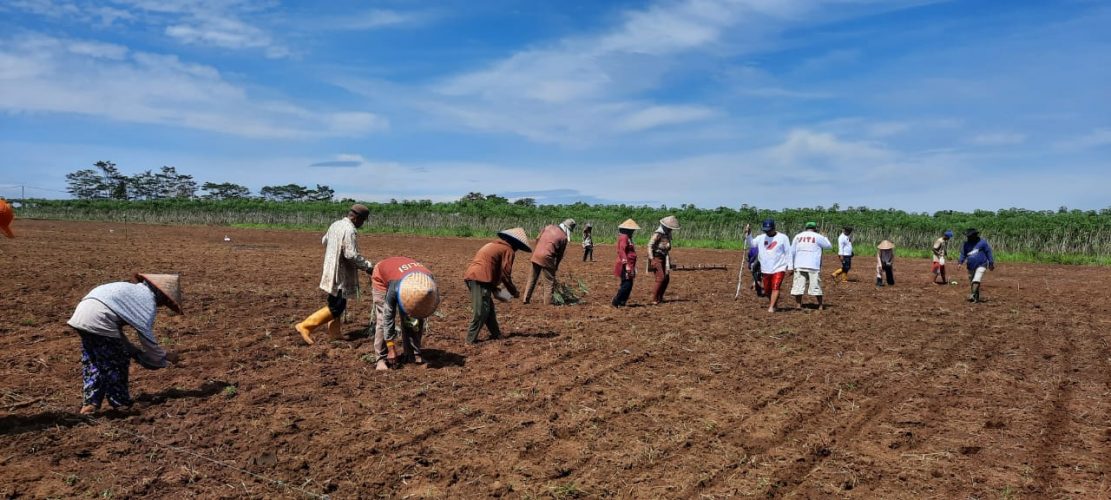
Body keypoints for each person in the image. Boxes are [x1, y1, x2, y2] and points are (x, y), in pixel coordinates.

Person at [67, 274, 183, 414]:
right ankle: (120, 403)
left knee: (94, 361)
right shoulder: (147, 302)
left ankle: (91, 403)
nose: (161, 305)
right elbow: (146, 337)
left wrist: (133, 351)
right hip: (101, 320)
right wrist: (164, 356)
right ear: (160, 295)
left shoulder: (129, 289)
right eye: (164, 301)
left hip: (81, 316)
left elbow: (115, 332)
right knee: (117, 362)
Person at [295, 204, 373, 345]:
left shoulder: (335, 224)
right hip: (340, 273)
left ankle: (335, 334)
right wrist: (368, 266)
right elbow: (350, 255)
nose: (362, 224)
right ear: (357, 218)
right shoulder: (350, 230)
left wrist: (334, 248)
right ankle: (305, 325)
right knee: (337, 307)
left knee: (333, 302)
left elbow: (324, 241)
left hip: (329, 269)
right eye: (362, 221)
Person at [370, 257, 440, 370]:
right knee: (383, 320)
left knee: (413, 318)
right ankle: (381, 358)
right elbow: (388, 318)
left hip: (402, 274)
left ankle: (412, 354)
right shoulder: (394, 287)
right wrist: (391, 348)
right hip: (383, 277)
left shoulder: (429, 281)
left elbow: (425, 308)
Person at [463, 228, 531, 344]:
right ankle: (469, 341)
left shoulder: (492, 244)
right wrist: (513, 291)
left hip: (475, 277)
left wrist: (494, 288)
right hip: (480, 279)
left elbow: (491, 266)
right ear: (515, 244)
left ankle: (496, 334)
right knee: (481, 312)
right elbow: (505, 275)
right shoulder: (508, 250)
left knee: (488, 309)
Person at [523, 219, 576, 304]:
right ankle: (547, 304)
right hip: (548, 258)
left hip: (536, 255)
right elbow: (560, 255)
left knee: (532, 279)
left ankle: (525, 299)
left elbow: (537, 238)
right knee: (549, 283)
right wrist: (556, 266)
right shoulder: (563, 237)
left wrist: (538, 249)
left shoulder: (548, 227)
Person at [745, 219, 792, 313]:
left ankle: (771, 307)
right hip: (766, 268)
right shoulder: (761, 238)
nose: (767, 232)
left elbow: (788, 252)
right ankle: (774, 304)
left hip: (779, 267)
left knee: (776, 286)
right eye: (765, 230)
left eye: (769, 230)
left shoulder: (783, 237)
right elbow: (752, 244)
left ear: (774, 228)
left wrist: (790, 266)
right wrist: (749, 234)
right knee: (767, 290)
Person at [790, 222, 833, 310]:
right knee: (816, 286)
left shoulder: (798, 236)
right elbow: (829, 246)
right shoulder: (818, 236)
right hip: (813, 265)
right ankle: (820, 305)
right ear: (815, 228)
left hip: (799, 264)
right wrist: (825, 237)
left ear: (806, 228)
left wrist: (791, 265)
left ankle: (798, 305)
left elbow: (792, 251)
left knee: (798, 286)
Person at [647, 215, 680, 304]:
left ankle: (660, 297)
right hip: (656, 257)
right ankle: (654, 299)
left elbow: (667, 246)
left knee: (666, 278)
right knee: (660, 278)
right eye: (670, 228)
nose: (671, 230)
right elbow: (649, 246)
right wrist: (652, 259)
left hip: (664, 256)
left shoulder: (667, 234)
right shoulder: (658, 234)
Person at [957, 228, 995, 303]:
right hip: (970, 266)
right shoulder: (966, 244)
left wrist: (991, 263)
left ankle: (972, 294)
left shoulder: (982, 243)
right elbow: (963, 254)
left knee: (976, 279)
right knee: (972, 282)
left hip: (982, 264)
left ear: (974, 235)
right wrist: (960, 262)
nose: (968, 237)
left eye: (969, 236)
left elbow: (988, 252)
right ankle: (976, 298)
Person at [611, 219, 640, 307]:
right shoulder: (624, 237)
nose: (633, 231)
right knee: (627, 283)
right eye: (632, 230)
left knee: (628, 283)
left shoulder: (627, 237)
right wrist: (626, 264)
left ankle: (622, 301)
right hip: (625, 264)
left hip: (630, 264)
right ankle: (617, 301)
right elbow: (621, 251)